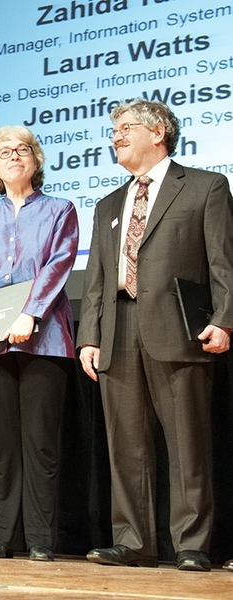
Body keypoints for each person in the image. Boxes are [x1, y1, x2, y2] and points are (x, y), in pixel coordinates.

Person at [77, 99, 233, 572]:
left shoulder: (205, 186)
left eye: (126, 128)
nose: (116, 137)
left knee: (188, 442)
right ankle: (133, 541)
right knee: (126, 443)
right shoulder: (108, 203)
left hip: (179, 329)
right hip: (117, 328)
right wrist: (89, 335)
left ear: (159, 131)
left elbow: (223, 261)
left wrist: (225, 318)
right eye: (114, 130)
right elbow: (98, 280)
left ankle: (191, 543)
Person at [0, 126, 78, 562]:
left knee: (40, 442)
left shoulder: (60, 209)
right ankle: (1, 537)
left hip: (44, 337)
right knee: (1, 444)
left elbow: (59, 262)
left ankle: (41, 538)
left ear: (35, 159)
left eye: (22, 150)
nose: (13, 157)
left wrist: (31, 313)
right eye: (3, 152)